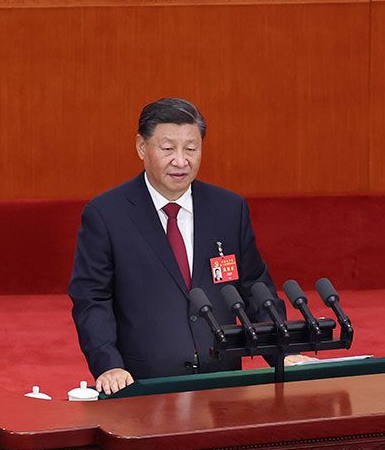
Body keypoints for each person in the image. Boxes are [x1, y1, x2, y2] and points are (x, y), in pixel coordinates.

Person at [69, 97, 268, 394]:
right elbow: (92, 300)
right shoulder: (107, 214)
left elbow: (254, 288)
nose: (181, 160)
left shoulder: (229, 209)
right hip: (144, 385)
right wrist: (108, 364)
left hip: (222, 385)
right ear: (141, 147)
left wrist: (281, 351)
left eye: (191, 148)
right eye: (167, 148)